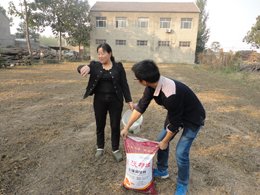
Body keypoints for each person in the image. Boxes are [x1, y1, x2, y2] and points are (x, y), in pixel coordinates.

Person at [121, 60, 206, 195]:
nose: (136, 80)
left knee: (181, 153)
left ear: (143, 81)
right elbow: (140, 107)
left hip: (193, 118)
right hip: (177, 113)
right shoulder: (151, 86)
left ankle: (183, 183)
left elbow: (175, 124)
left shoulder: (170, 94)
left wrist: (166, 141)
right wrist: (127, 127)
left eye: (136, 78)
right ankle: (162, 170)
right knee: (159, 140)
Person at [77, 43, 134, 162]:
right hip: (99, 100)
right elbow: (81, 68)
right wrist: (84, 67)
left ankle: (115, 149)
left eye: (103, 53)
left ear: (110, 53)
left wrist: (129, 100)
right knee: (100, 124)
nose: (100, 56)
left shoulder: (118, 66)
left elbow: (124, 84)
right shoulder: (95, 66)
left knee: (114, 125)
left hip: (115, 101)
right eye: (98, 53)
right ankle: (100, 147)